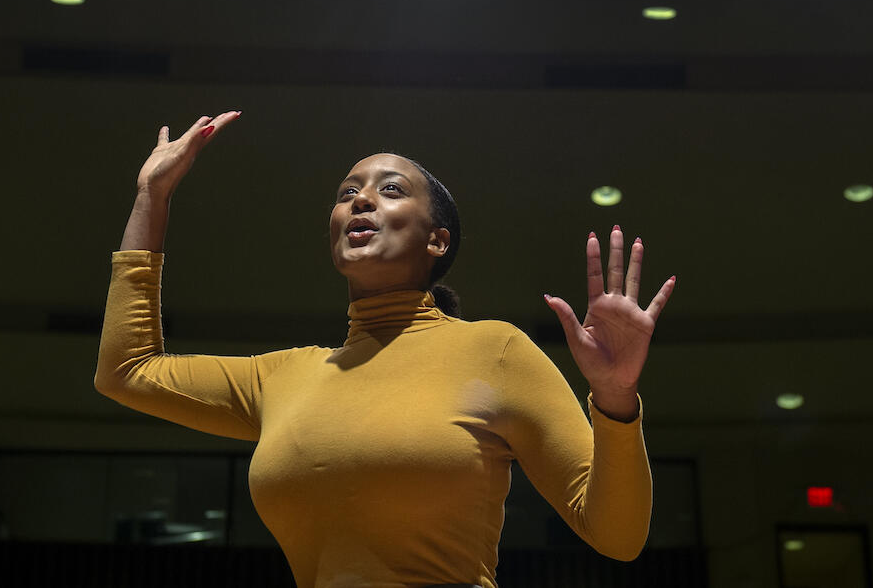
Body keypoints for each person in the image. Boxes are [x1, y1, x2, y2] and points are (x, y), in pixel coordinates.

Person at [95, 110, 677, 588]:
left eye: (389, 190)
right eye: (347, 193)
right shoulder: (281, 378)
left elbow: (617, 537)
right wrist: (152, 196)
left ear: (437, 240)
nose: (360, 200)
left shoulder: (495, 351)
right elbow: (126, 371)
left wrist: (615, 399)